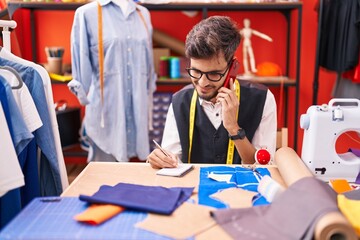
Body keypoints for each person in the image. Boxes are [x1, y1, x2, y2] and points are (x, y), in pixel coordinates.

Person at [147, 16, 277, 169]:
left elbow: (264, 168)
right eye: (195, 71)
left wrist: (233, 129)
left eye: (214, 74)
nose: (202, 83)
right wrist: (162, 160)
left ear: (232, 67)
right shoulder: (180, 101)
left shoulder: (262, 99)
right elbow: (172, 162)